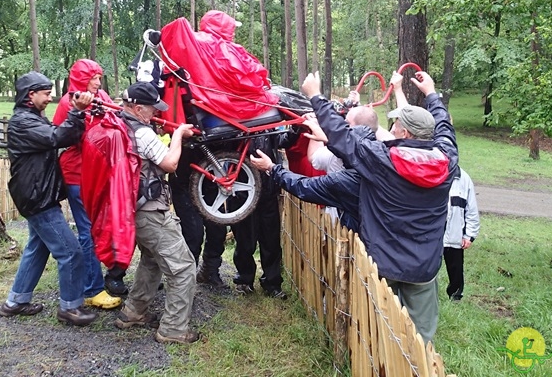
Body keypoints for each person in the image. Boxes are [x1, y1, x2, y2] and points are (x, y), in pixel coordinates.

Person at [251, 70, 458, 343]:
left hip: (384, 265)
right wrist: (431, 94)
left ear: (405, 132)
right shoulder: (447, 159)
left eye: (396, 126)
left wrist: (315, 96)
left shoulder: (382, 162)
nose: (392, 128)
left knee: (380, 333)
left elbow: (342, 138)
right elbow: (445, 128)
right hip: (424, 267)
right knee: (421, 338)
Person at [0, 71, 97, 326]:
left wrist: (82, 114)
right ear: (30, 95)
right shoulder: (23, 122)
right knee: (71, 252)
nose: (50, 97)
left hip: (36, 193)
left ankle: (15, 301)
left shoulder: (33, 118)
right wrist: (76, 111)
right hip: (36, 197)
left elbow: (67, 134)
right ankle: (70, 308)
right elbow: (56, 138)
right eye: (46, 93)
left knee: (37, 247)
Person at [114, 81, 200, 344]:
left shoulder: (120, 125)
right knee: (183, 267)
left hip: (131, 210)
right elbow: (171, 164)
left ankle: (133, 312)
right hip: (149, 211)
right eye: (152, 109)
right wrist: (177, 136)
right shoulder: (142, 133)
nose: (156, 113)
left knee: (151, 259)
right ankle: (174, 329)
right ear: (138, 108)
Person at [52, 59, 123, 308]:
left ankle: (109, 277)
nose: (97, 81)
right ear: (82, 78)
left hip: (100, 173)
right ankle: (92, 288)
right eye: (93, 77)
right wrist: (81, 114)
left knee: (103, 226)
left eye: (99, 77)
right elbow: (61, 137)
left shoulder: (101, 96)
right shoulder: (68, 102)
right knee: (88, 230)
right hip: (78, 174)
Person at [232, 135, 287, 300]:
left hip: (267, 192)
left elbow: (284, 139)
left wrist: (297, 128)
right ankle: (244, 279)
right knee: (244, 240)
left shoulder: (269, 125)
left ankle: (272, 283)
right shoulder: (233, 126)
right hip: (242, 193)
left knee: (271, 241)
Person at [170, 146, 229, 288]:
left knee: (218, 230)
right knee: (194, 234)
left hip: (210, 182)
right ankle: (185, 282)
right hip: (183, 183)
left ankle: (209, 272)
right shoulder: (182, 128)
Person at [444, 168, 479, 301]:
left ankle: (456, 296)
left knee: (456, 269)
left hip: (455, 234)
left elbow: (471, 209)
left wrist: (469, 235)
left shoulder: (464, 179)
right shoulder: (429, 171)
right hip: (433, 236)